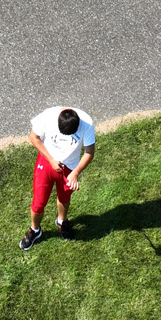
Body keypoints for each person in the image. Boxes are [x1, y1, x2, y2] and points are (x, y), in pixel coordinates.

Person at [21, 105, 95, 249]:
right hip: (47, 162)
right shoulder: (48, 116)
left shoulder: (87, 123)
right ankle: (35, 230)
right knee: (38, 203)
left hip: (70, 168)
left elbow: (89, 152)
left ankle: (61, 221)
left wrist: (75, 172)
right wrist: (51, 160)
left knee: (64, 198)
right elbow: (33, 137)